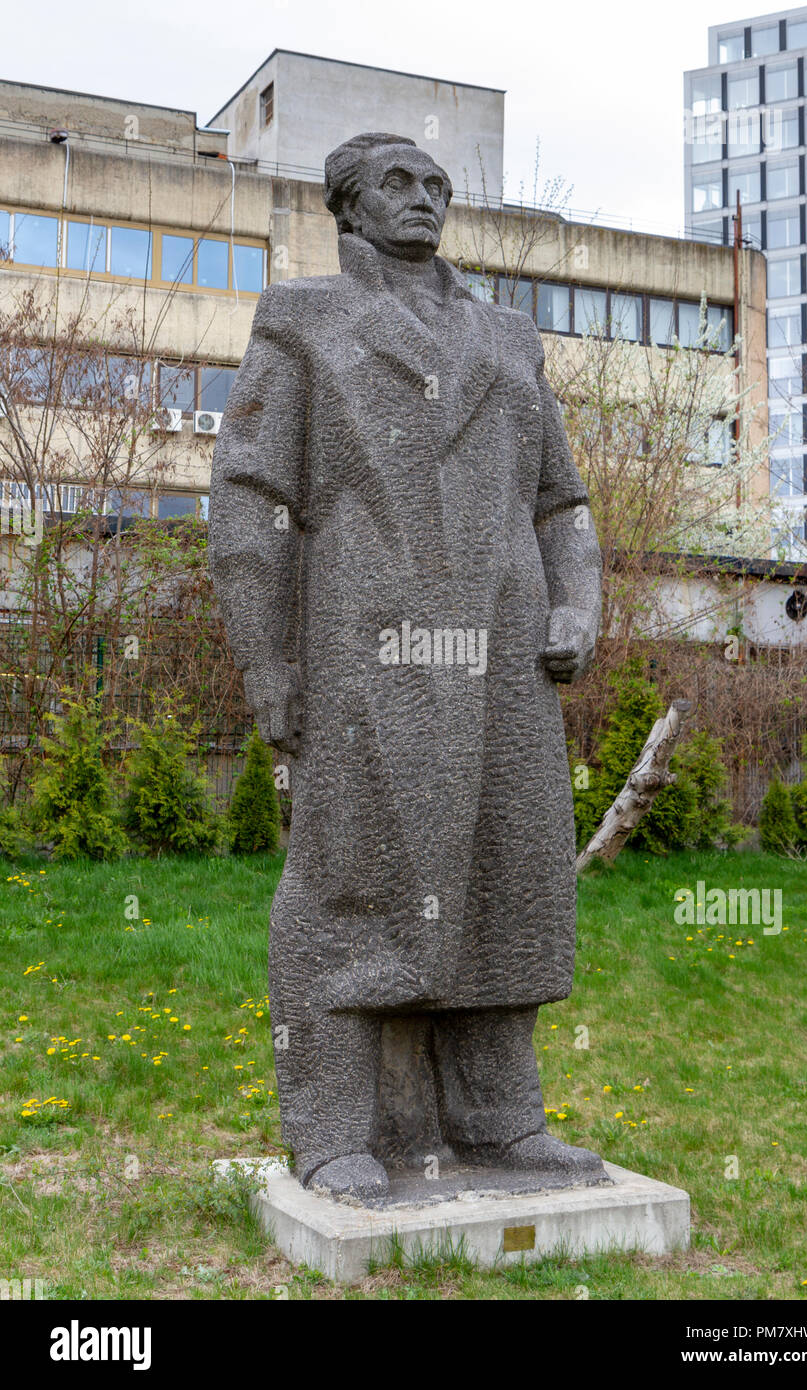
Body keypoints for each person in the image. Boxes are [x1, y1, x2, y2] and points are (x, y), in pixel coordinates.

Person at [209, 132, 607, 1200]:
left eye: (436, 186)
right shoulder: (304, 322)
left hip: (507, 657)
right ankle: (332, 1124)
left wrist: (578, 601)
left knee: (506, 877)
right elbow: (249, 499)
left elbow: (559, 502)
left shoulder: (507, 336)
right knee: (352, 887)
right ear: (347, 204)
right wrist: (267, 663)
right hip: (364, 657)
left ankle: (500, 1117)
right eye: (397, 183)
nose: (423, 199)